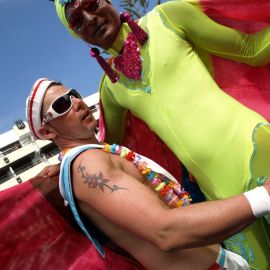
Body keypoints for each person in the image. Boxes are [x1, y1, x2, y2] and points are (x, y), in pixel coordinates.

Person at [53, 0, 270, 268]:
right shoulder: (110, 88)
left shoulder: (167, 18)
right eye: (76, 20)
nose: (90, 18)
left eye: (91, 3)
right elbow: (107, 150)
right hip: (218, 195)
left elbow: (251, 50)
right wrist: (58, 167)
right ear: (77, 34)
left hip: (257, 153)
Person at [26, 78, 270, 269]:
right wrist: (265, 196)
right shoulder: (86, 165)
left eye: (73, 95)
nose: (76, 102)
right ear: (48, 132)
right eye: (62, 105)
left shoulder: (96, 155)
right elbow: (166, 231)